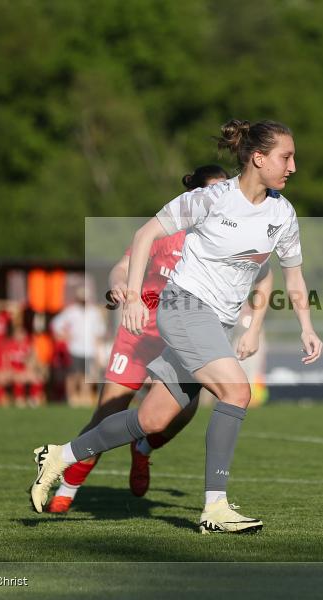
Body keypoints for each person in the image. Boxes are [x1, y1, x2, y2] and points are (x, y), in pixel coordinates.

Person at [30, 119, 323, 534]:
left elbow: (293, 277)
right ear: (259, 158)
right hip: (184, 308)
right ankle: (215, 508)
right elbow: (145, 234)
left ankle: (61, 456)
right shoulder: (211, 198)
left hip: (216, 323)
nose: (293, 166)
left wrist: (306, 327)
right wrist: (133, 296)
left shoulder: (283, 213)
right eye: (286, 157)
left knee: (151, 420)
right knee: (237, 392)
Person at [46, 164, 273, 513]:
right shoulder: (166, 231)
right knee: (108, 412)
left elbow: (262, 273)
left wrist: (254, 324)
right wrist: (121, 287)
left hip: (181, 338)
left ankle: (143, 449)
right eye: (213, 192)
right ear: (193, 196)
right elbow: (122, 267)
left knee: (181, 412)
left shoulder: (228, 238)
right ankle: (68, 486)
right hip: (139, 335)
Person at [50, 286, 107, 407]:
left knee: (87, 376)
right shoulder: (71, 311)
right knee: (73, 375)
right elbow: (56, 324)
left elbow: (99, 332)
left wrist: (98, 351)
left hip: (89, 350)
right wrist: (65, 335)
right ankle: (72, 398)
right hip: (74, 349)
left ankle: (83, 398)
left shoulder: (94, 312)